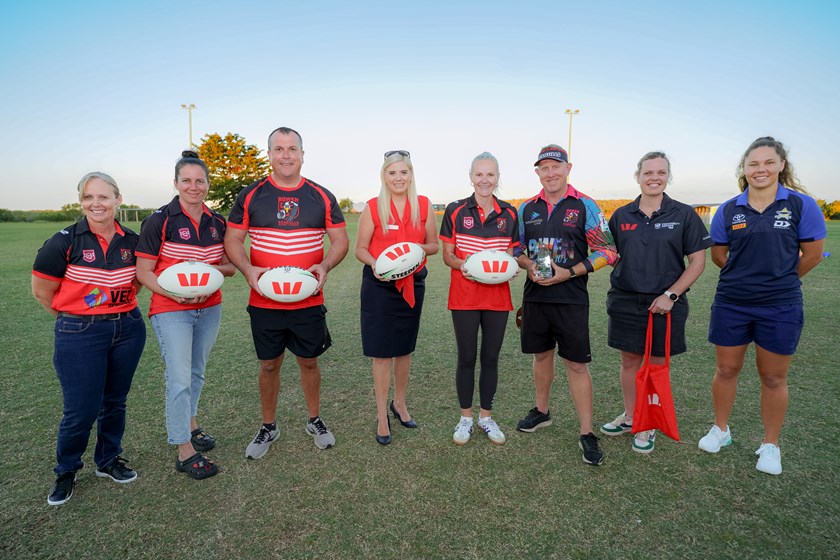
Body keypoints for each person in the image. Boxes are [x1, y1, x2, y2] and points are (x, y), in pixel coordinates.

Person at [698, 136, 825, 475]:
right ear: (744, 169)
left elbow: (812, 255)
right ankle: (721, 430)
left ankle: (770, 444)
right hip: (732, 302)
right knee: (726, 370)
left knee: (772, 377)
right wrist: (746, 279)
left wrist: (780, 280)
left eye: (768, 162)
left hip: (780, 304)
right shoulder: (728, 209)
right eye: (753, 164)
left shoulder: (801, 205)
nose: (761, 169)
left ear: (782, 165)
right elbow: (719, 256)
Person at [225, 127, 349, 457]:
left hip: (308, 299)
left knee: (308, 361)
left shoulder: (321, 196)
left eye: (292, 148)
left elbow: (340, 241)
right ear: (269, 154)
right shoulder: (250, 195)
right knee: (269, 365)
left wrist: (324, 266)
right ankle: (269, 426)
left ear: (302, 154)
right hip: (264, 300)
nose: (286, 155)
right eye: (279, 149)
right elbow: (233, 240)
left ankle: (314, 419)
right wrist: (249, 270)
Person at [32, 172, 146, 506]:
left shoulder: (133, 241)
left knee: (115, 401)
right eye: (88, 197)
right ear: (81, 201)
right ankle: (66, 470)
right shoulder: (63, 241)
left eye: (103, 197)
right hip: (79, 333)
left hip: (128, 328)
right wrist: (76, 321)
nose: (95, 204)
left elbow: (136, 282)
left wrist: (114, 310)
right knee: (80, 410)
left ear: (117, 199)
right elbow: (42, 293)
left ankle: (108, 460)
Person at [599, 152, 712, 453]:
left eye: (661, 172)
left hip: (666, 304)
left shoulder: (684, 214)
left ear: (668, 177)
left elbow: (698, 262)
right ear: (638, 176)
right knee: (629, 362)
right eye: (648, 172)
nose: (654, 177)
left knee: (657, 365)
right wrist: (630, 272)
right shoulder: (622, 215)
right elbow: (611, 256)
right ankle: (630, 416)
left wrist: (670, 295)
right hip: (625, 301)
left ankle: (647, 423)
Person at [514, 144, 618, 466]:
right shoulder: (526, 208)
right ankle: (542, 411)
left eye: (556, 166)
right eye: (544, 168)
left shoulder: (584, 205)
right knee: (541, 356)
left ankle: (586, 432)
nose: (550, 173)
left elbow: (608, 251)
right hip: (535, 296)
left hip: (571, 298)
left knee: (575, 364)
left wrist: (569, 272)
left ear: (567, 168)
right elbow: (516, 246)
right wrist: (526, 263)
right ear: (537, 172)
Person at [136, 150, 236, 479]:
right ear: (176, 183)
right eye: (186, 181)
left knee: (196, 372)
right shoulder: (159, 220)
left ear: (207, 184)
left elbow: (231, 266)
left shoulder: (217, 222)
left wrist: (207, 272)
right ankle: (183, 448)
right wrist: (177, 292)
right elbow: (144, 272)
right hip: (170, 310)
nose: (194, 187)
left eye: (200, 181)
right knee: (178, 378)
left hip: (209, 307)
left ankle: (191, 425)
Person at [354, 150, 439, 445]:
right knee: (381, 353)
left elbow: (434, 245)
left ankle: (399, 403)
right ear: (384, 176)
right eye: (392, 173)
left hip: (413, 283)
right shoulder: (374, 207)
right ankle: (381, 415)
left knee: (404, 349)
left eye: (403, 172)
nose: (398, 178)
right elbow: (360, 249)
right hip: (379, 285)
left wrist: (413, 250)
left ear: (411, 175)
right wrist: (378, 264)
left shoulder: (424, 205)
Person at [440, 152, 518, 446]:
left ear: (498, 177)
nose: (485, 181)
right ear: (471, 177)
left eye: (491, 175)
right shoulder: (456, 210)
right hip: (464, 296)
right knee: (467, 357)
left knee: (490, 358)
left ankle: (486, 417)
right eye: (479, 175)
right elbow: (448, 256)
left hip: (498, 298)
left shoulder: (510, 213)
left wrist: (509, 268)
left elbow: (513, 253)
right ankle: (466, 418)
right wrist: (469, 267)